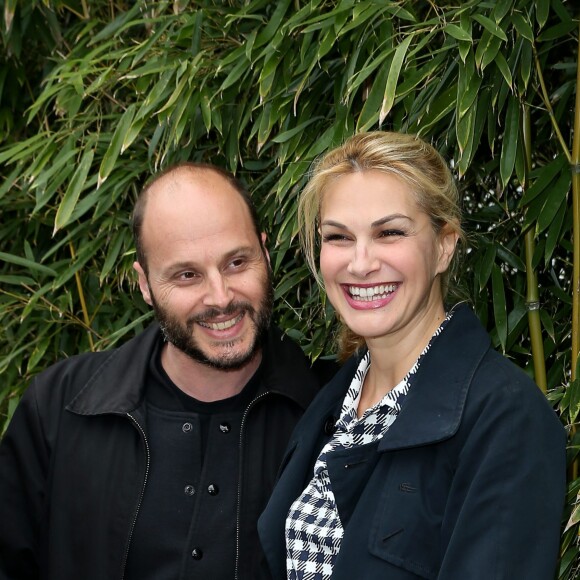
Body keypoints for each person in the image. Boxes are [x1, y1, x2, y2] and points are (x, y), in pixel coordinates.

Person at [258, 131, 566, 579]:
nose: (360, 263)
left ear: (444, 246)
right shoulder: (332, 401)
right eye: (339, 237)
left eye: (390, 232)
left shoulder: (505, 419)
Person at [0, 162, 323, 580]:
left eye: (236, 263)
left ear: (265, 253)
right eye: (187, 275)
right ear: (145, 285)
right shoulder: (60, 408)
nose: (221, 296)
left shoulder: (330, 414)